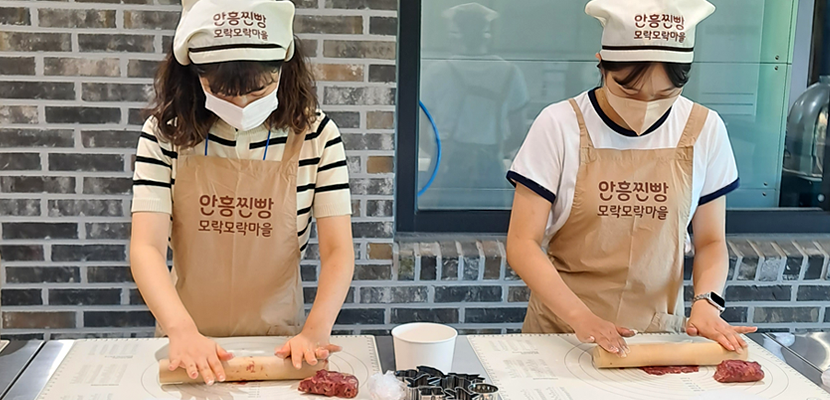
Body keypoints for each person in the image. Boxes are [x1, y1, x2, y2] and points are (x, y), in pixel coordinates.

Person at [506, 0, 756, 357]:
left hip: (657, 337)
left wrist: (707, 303)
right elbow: (522, 243)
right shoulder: (559, 125)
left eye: (665, 95)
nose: (646, 106)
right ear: (601, 65)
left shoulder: (705, 128)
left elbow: (712, 241)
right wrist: (580, 317)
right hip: (563, 333)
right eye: (629, 92)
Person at [129, 0, 354, 385]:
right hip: (188, 344)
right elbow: (146, 247)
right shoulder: (166, 134)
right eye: (224, 92)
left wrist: (316, 331)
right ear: (194, 73)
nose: (243, 105)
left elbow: (338, 250)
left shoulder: (316, 135)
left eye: (257, 89)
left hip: (281, 343)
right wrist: (181, 331)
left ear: (283, 67)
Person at [420, 2, 529, 202]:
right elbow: (518, 133)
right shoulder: (510, 73)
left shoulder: (436, 72)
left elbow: (420, 131)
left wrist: (441, 153)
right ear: (487, 35)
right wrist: (492, 151)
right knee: (487, 217)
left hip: (447, 166)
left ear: (455, 34)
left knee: (443, 217)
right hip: (491, 165)